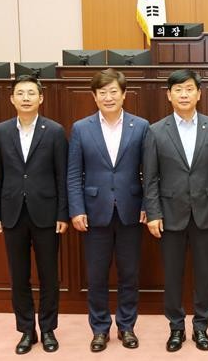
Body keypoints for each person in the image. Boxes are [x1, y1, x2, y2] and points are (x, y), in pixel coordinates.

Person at [142, 69, 208, 352]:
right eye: (178, 90)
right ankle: (176, 328)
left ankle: (201, 327)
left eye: (189, 89)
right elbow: (150, 177)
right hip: (169, 214)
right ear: (168, 95)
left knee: (205, 275)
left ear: (199, 94)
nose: (184, 94)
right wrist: (153, 213)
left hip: (206, 213)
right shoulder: (156, 131)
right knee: (172, 276)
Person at [67, 68, 149, 352]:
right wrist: (76, 209)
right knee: (97, 276)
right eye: (102, 92)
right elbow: (74, 173)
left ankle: (126, 326)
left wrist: (148, 205)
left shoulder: (141, 126)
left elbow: (150, 171)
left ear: (124, 94)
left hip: (131, 210)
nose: (108, 97)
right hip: (93, 212)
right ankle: (100, 329)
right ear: (94, 96)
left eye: (114, 91)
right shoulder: (81, 128)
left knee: (129, 274)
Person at [0, 74, 68, 354]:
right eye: (20, 93)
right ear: (12, 99)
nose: (25, 98)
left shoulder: (54, 131)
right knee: (19, 276)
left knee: (49, 276)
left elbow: (62, 176)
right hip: (12, 214)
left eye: (31, 93)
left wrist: (63, 214)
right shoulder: (1, 131)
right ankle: (26, 330)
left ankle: (47, 329)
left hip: (47, 213)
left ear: (40, 98)